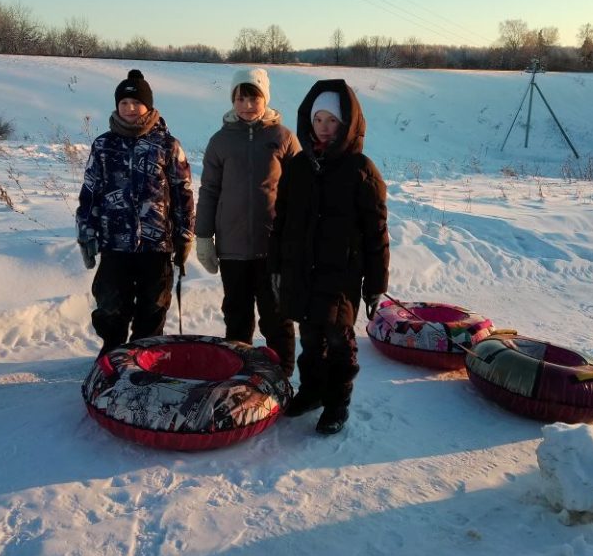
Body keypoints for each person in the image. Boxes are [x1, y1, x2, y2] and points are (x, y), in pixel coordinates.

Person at [269, 79, 389, 434]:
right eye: (318, 120)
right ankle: (312, 392)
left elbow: (376, 233)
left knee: (338, 340)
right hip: (302, 272)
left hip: (341, 275)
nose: (323, 128)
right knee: (309, 339)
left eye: (332, 121)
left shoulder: (361, 170)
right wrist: (276, 266)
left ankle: (337, 403)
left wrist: (375, 285)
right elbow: (281, 221)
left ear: (347, 124)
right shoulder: (298, 166)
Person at [76, 69, 194, 357]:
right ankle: (113, 355)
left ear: (148, 106)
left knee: (153, 306)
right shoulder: (104, 145)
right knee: (110, 305)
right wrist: (85, 233)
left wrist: (185, 235)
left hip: (157, 245)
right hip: (114, 243)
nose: (129, 109)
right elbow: (90, 192)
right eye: (124, 103)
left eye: (136, 103)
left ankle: (144, 357)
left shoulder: (167, 145)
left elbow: (183, 192)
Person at [195, 67, 301, 374]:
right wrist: (203, 237)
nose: (246, 105)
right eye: (240, 98)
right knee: (237, 316)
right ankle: (239, 374)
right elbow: (209, 190)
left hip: (273, 248)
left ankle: (281, 377)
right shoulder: (220, 141)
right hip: (232, 249)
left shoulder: (283, 137)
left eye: (253, 98)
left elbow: (301, 191)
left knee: (276, 317)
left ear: (265, 99)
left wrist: (297, 236)